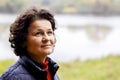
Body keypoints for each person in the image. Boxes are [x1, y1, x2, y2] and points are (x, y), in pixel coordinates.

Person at [0, 6, 59, 80]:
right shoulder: (13, 77)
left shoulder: (52, 72)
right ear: (23, 40)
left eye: (49, 32)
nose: (47, 38)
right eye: (38, 33)